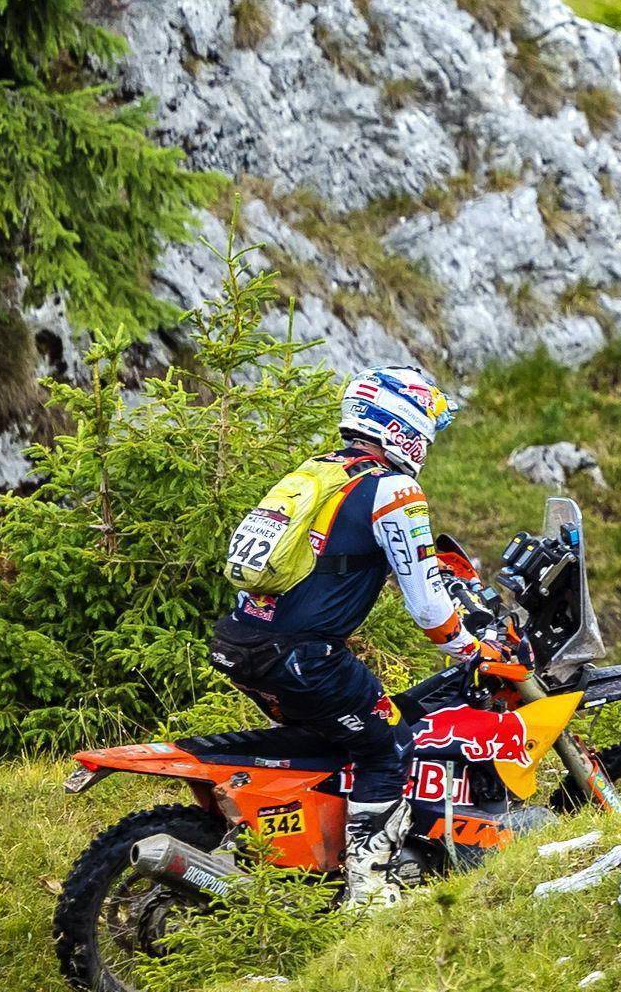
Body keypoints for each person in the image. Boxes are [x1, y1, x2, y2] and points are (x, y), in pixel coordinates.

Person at [210, 366, 492, 906]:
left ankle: (304, 864)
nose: (430, 437)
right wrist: (470, 650)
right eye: (428, 420)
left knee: (341, 742)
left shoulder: (321, 472)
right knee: (390, 746)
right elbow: (428, 606)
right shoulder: (393, 490)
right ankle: (368, 891)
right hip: (302, 657)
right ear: (402, 419)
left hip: (242, 640)